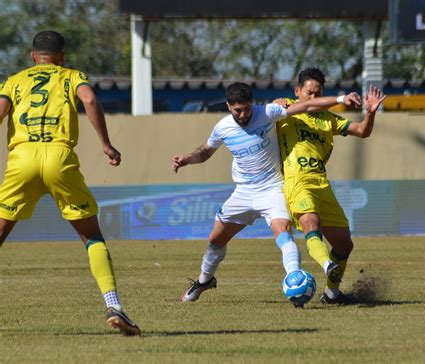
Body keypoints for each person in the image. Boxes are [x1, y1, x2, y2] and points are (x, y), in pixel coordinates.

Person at [0, 30, 140, 336]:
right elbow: (88, 98)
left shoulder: (14, 80)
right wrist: (106, 143)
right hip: (59, 158)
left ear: (33, 56)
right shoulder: (71, 75)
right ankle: (113, 305)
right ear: (62, 56)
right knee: (92, 237)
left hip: (21, 159)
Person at [171, 82, 360, 305]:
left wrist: (339, 100)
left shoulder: (268, 112)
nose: (243, 115)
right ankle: (205, 280)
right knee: (215, 239)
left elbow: (307, 107)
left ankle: (295, 279)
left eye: (247, 109)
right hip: (243, 192)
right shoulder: (222, 127)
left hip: (272, 188)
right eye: (237, 110)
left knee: (284, 233)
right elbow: (205, 152)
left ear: (253, 104)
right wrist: (186, 159)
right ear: (228, 106)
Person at [275, 67, 385, 305]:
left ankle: (332, 294)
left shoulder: (328, 119)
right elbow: (277, 109)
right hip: (297, 181)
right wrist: (339, 100)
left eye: (318, 93)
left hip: (321, 183)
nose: (313, 98)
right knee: (310, 223)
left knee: (344, 243)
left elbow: (362, 131)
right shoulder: (285, 110)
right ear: (297, 91)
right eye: (309, 93)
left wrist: (371, 113)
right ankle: (327, 265)